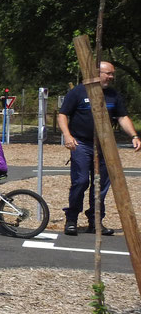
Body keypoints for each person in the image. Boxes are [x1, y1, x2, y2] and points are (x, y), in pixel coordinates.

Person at [57, 61, 141, 236]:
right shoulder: (79, 92)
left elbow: (122, 117)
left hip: (105, 146)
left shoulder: (113, 95)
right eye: (107, 73)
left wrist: (134, 136)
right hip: (81, 143)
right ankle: (71, 219)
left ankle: (95, 222)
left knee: (100, 185)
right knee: (80, 182)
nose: (110, 77)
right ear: (97, 73)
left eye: (112, 74)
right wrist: (67, 135)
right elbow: (63, 114)